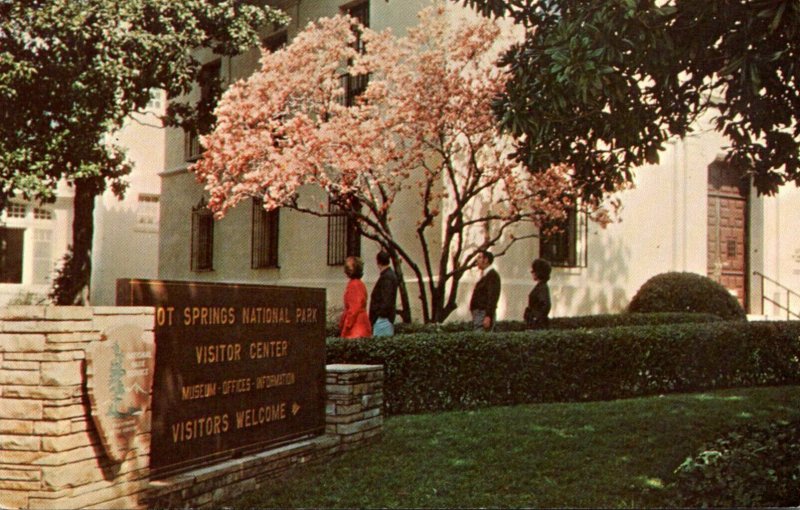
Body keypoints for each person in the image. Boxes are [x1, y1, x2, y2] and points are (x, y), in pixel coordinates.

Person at [339, 256, 372, 339]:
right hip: (361, 325)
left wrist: (346, 326)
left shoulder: (354, 285)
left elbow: (354, 309)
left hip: (356, 328)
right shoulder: (359, 284)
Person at [469, 250, 501, 331]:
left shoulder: (492, 276)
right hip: (479, 314)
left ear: (486, 260)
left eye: (479, 257)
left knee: (480, 338)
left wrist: (488, 316)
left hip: (483, 314)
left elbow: (492, 297)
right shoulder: (485, 275)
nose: (477, 260)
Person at [369, 250, 398, 337]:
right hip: (385, 318)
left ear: (378, 262)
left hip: (382, 319)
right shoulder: (390, 275)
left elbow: (386, 300)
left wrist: (378, 314)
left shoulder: (386, 277)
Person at [524, 258, 552, 329]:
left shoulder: (542, 287)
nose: (531, 272)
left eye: (533, 271)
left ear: (538, 273)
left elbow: (545, 305)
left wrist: (535, 318)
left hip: (538, 325)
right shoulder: (541, 286)